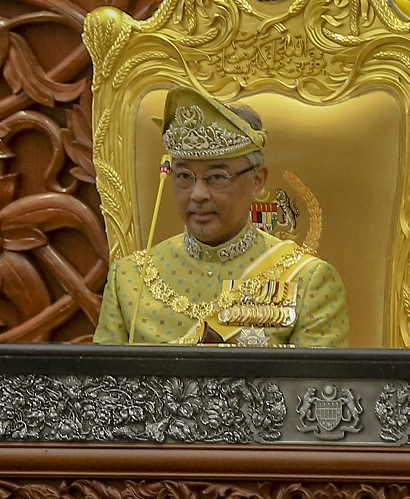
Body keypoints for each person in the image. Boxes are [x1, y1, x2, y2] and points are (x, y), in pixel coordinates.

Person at [93, 86, 349, 346]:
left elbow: (319, 386)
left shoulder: (308, 281)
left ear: (257, 181)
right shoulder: (128, 279)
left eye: (217, 177)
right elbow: (102, 385)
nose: (198, 194)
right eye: (184, 177)